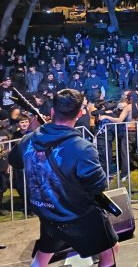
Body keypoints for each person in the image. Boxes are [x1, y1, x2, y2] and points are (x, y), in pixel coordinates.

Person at [8, 89, 118, 267]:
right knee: (109, 252)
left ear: (52, 111)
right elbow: (98, 186)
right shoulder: (82, 148)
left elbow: (15, 161)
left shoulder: (29, 139)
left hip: (47, 211)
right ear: (80, 113)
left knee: (43, 256)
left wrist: (33, 133)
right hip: (78, 215)